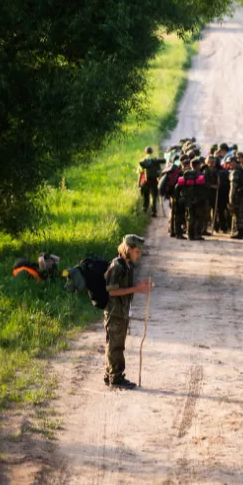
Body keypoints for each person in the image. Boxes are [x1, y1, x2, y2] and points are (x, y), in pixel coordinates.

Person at [103, 234, 154, 389]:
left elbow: (127, 286)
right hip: (115, 312)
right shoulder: (117, 266)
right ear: (128, 249)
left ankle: (110, 374)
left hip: (123, 311)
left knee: (115, 344)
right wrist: (135, 289)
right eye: (137, 251)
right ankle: (116, 378)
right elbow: (111, 291)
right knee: (115, 345)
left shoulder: (128, 265)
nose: (139, 255)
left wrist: (141, 284)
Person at [138, 147, 165, 217]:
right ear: (152, 152)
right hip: (154, 181)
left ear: (145, 152)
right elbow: (159, 171)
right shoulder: (155, 160)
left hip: (145, 181)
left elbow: (140, 172)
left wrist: (138, 182)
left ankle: (144, 208)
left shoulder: (143, 160)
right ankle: (153, 211)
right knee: (154, 196)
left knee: (146, 195)